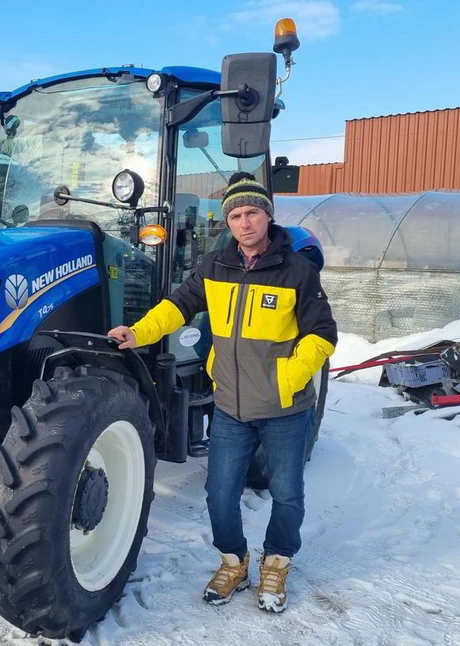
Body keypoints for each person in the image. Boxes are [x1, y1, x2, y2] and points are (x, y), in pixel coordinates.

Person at [108, 171, 337, 613]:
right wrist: (137, 333)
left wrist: (287, 378)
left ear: (267, 217)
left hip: (285, 409)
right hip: (231, 406)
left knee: (287, 494)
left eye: (252, 212)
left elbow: (323, 335)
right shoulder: (216, 267)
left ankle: (277, 562)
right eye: (236, 215)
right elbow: (178, 306)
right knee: (219, 493)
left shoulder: (298, 271)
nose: (245, 222)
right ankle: (234, 560)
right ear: (227, 223)